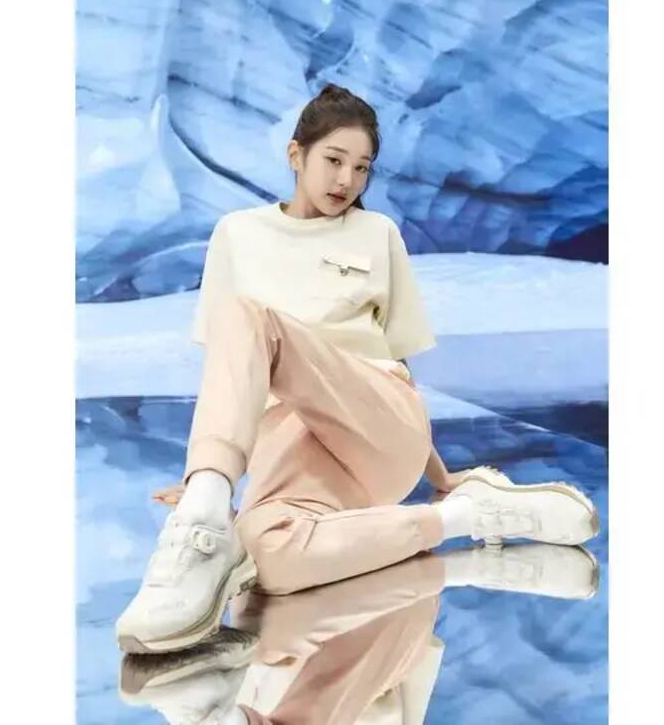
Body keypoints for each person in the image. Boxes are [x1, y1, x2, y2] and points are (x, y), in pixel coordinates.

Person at [115, 84, 599, 665]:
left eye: (362, 168)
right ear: (296, 155)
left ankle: (203, 517)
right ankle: (462, 519)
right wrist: (204, 475)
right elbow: (227, 370)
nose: (346, 180)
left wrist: (440, 472)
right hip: (290, 445)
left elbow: (400, 364)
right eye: (334, 160)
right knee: (269, 558)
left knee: (248, 317)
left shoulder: (377, 235)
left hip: (378, 428)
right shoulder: (237, 234)